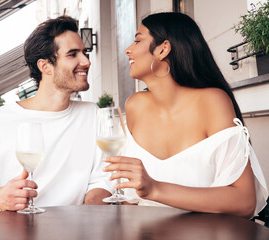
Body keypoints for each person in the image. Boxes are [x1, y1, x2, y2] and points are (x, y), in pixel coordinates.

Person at [103, 12, 268, 218]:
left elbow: (244, 202)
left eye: (137, 40)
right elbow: (130, 200)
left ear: (163, 49)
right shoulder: (135, 105)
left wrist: (155, 189)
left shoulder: (212, 101)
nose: (128, 49)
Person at [0, 16, 112, 215]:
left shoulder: (92, 114)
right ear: (45, 66)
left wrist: (85, 219)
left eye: (84, 53)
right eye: (72, 54)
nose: (86, 61)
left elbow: (103, 180)